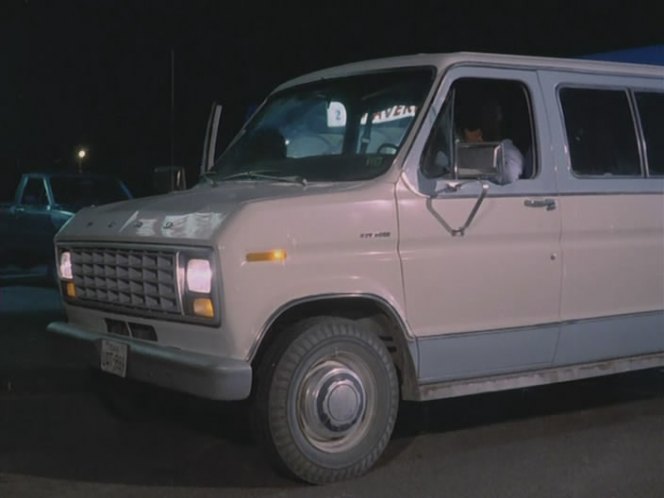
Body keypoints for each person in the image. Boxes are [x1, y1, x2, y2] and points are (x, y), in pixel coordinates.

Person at [459, 101, 524, 185]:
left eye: (491, 118)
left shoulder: (509, 153)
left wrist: (480, 174)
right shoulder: (473, 152)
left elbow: (509, 176)